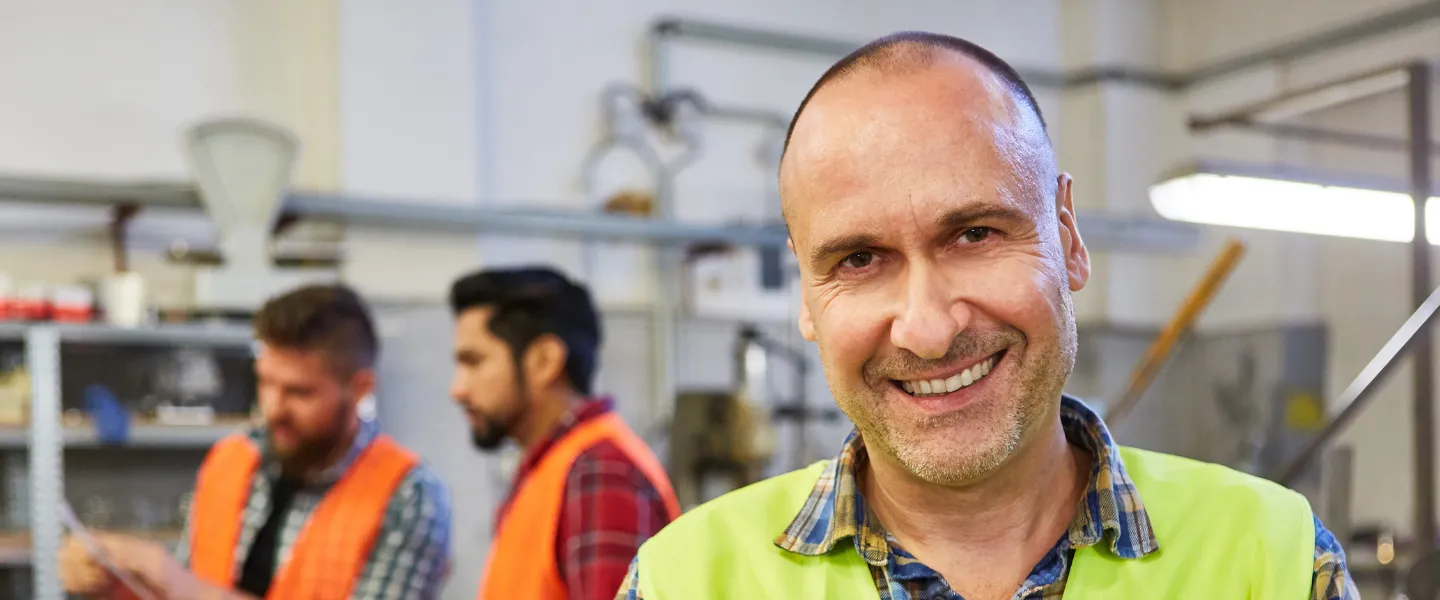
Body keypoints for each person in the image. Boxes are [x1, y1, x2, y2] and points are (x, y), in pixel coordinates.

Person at [616, 32, 1357, 600]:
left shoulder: (1273, 560)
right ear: (808, 296)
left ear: (1066, 237)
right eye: (859, 260)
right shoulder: (686, 579)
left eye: (975, 235)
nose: (929, 328)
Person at [60, 283, 453, 600]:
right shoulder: (232, 460)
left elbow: (190, 591)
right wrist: (115, 581)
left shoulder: (408, 497)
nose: (273, 407)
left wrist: (175, 581)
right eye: (265, 382)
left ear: (360, 388)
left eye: (299, 392)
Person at [447, 267, 679, 600]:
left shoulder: (599, 472)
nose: (458, 389)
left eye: (474, 361)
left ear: (544, 361)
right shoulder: (555, 469)